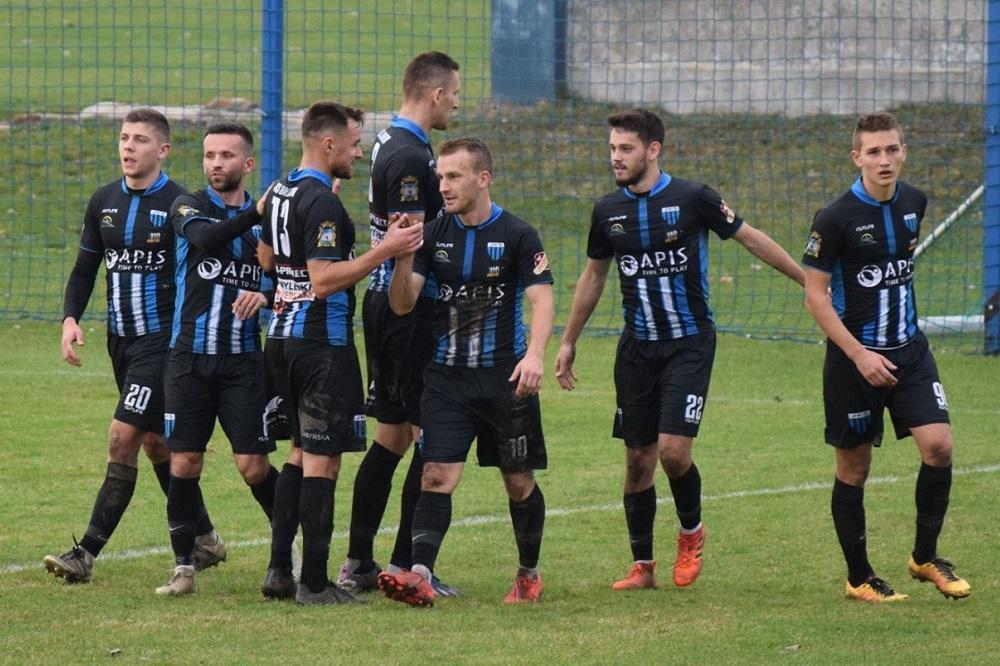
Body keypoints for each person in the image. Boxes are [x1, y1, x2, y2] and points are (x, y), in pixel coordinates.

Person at [554, 108, 805, 591]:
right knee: (637, 460)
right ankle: (642, 567)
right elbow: (594, 276)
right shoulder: (607, 210)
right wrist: (568, 341)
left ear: (653, 150)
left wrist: (807, 282)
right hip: (637, 349)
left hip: (689, 343)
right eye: (612, 149)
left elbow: (750, 239)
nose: (616, 157)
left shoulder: (693, 198)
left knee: (672, 451)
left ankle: (691, 532)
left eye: (626, 149)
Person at [256, 101, 424, 605]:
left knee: (298, 453)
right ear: (327, 144)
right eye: (353, 144)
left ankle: (279, 570)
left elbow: (266, 258)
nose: (358, 153)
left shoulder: (280, 190)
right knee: (323, 463)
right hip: (321, 344)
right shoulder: (323, 203)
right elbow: (325, 280)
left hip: (281, 339)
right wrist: (386, 249)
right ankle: (314, 582)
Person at [45, 108, 222, 583]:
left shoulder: (180, 204)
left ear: (163, 150)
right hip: (120, 343)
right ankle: (205, 538)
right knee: (157, 444)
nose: (128, 146)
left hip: (162, 344)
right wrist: (69, 319)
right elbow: (85, 268)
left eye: (140, 139)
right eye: (124, 137)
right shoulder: (103, 200)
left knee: (122, 437)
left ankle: (85, 553)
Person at [802, 111, 971, 602]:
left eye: (892, 149)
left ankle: (925, 557)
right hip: (854, 361)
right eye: (873, 151)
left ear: (904, 153)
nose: (884, 160)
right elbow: (815, 296)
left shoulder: (915, 202)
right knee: (853, 469)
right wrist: (859, 355)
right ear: (856, 157)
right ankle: (859, 577)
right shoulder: (833, 219)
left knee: (939, 447)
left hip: (910, 352)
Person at [379, 137, 555, 607]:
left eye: (454, 176)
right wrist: (402, 257)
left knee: (518, 481)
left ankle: (528, 574)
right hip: (447, 380)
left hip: (505, 380)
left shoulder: (518, 234)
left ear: (483, 178)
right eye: (441, 176)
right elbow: (402, 303)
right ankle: (419, 574)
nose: (443, 185)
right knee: (435, 475)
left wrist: (535, 355)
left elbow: (541, 299)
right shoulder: (432, 234)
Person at [339, 50, 462, 597]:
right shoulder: (411, 154)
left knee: (391, 437)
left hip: (385, 303)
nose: (456, 102)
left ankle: (361, 562)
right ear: (435, 93)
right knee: (428, 435)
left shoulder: (391, 138)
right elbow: (408, 235)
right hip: (406, 305)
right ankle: (407, 564)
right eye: (454, 93)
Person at [154, 122, 280, 595]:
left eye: (226, 155)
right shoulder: (187, 206)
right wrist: (257, 213)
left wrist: (265, 295)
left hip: (243, 362)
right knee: (184, 462)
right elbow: (207, 241)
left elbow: (290, 278)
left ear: (247, 164)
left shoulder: (268, 225)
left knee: (253, 467)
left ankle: (288, 545)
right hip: (188, 359)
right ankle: (184, 568)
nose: (215, 164)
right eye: (209, 155)